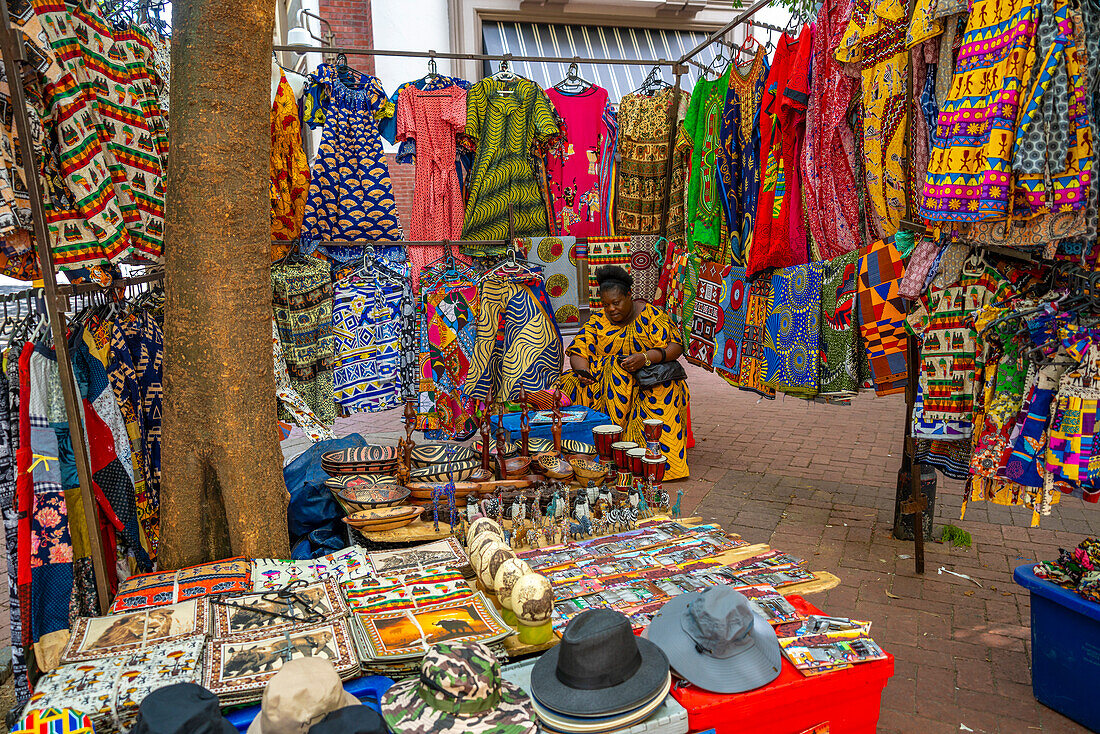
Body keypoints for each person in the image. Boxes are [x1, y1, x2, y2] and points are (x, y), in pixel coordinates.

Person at [560, 266, 689, 479]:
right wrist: (582, 371)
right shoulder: (598, 320)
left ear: (629, 295)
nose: (610, 309)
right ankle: (589, 454)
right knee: (568, 382)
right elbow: (578, 349)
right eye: (605, 304)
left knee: (666, 390)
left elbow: (675, 346)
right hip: (606, 385)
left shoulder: (651, 316)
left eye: (616, 302)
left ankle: (652, 463)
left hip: (647, 381)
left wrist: (646, 357)